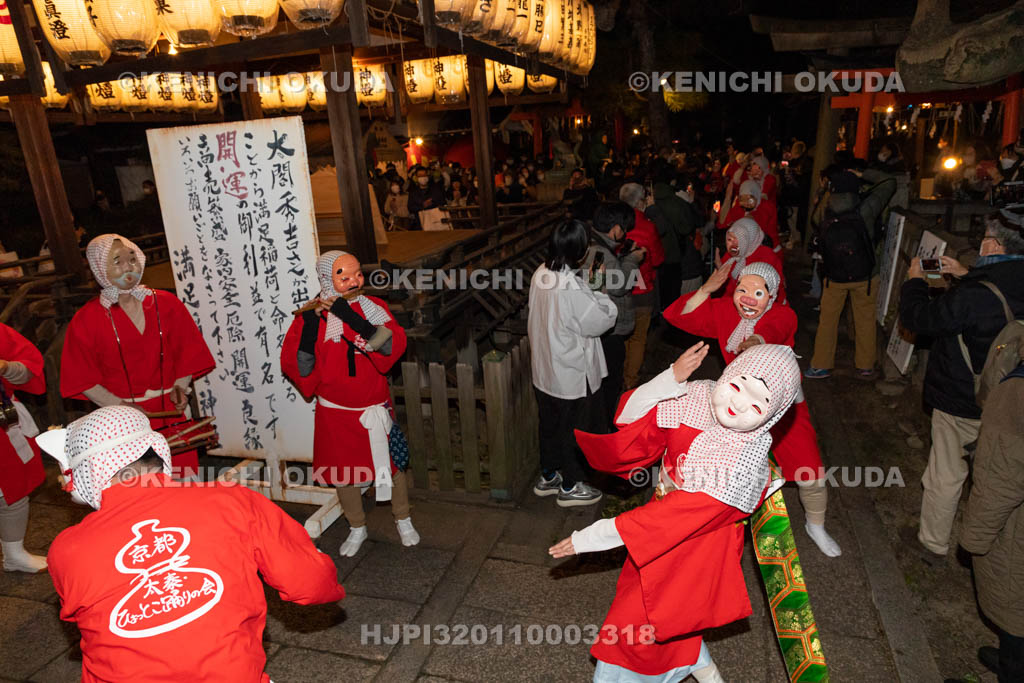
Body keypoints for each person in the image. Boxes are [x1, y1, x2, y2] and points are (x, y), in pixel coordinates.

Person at [551, 343, 802, 682]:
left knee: (638, 621)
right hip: (656, 523)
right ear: (727, 373)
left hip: (695, 546)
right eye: (738, 385)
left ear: (772, 415)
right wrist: (670, 379)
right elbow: (631, 421)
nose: (739, 402)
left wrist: (594, 536)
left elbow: (678, 517)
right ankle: (703, 668)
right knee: (665, 610)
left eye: (758, 404)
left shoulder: (744, 461)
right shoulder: (698, 396)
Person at [40, 406, 345, 682]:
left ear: (87, 475)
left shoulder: (65, 550)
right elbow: (313, 583)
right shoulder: (231, 501)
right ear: (158, 452)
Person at [665, 262, 841, 556]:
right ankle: (707, 529)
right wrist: (708, 288)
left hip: (783, 407)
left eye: (758, 292)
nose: (747, 298)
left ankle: (816, 525)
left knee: (810, 466)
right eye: (742, 290)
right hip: (736, 404)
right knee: (721, 469)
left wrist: (756, 341)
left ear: (771, 297)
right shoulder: (725, 312)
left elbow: (775, 329)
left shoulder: (782, 313)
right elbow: (680, 316)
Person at [899, 209, 1024, 560]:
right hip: (1013, 398)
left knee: (947, 472)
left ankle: (932, 543)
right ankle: (992, 545)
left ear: (995, 243)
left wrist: (914, 283)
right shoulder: (987, 285)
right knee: (1000, 475)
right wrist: (967, 273)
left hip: (964, 399)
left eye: (985, 236)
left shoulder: (972, 296)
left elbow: (920, 318)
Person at [281, 250, 418, 557]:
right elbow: (300, 367)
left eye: (357, 273)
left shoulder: (377, 308)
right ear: (328, 280)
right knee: (344, 473)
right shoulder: (313, 316)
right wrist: (311, 327)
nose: (354, 281)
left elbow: (392, 347)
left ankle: (403, 518)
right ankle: (357, 525)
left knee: (393, 466)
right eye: (343, 276)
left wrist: (350, 316)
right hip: (336, 412)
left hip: (374, 406)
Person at [60, 234, 216, 476]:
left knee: (184, 481)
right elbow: (82, 378)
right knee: (141, 487)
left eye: (132, 258)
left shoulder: (167, 303)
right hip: (122, 421)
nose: (128, 266)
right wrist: (120, 405)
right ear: (99, 268)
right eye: (117, 261)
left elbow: (187, 351)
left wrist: (181, 388)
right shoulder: (86, 320)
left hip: (172, 413)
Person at [529, 220, 617, 507]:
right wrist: (600, 291)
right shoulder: (569, 284)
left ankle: (548, 475)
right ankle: (570, 484)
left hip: (545, 365)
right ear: (579, 250)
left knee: (549, 423)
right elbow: (598, 321)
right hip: (569, 369)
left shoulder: (542, 273)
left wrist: (586, 287)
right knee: (573, 428)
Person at [958, 337, 1024, 683]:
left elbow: (1003, 475)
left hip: (1017, 531)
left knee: (1016, 608)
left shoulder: (1017, 393)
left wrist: (973, 539)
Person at [804, 168, 896, 379]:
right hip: (865, 274)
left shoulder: (825, 207)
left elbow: (815, 223)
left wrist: (827, 191)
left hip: (833, 274)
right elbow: (889, 181)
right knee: (865, 318)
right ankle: (865, 366)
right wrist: (864, 174)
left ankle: (820, 364)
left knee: (828, 320)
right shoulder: (866, 207)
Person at [587, 203, 646, 423]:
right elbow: (618, 285)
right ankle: (606, 428)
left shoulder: (595, 245)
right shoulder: (599, 251)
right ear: (615, 228)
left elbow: (597, 281)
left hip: (601, 329)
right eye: (624, 228)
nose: (625, 233)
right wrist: (632, 260)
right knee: (609, 384)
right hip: (607, 332)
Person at [0, 323, 48, 572]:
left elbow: (29, 367)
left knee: (14, 492)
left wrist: (7, 367)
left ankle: (14, 553)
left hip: (3, 424)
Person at [619, 183, 665, 390]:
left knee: (621, 338)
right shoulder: (647, 226)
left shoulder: (616, 224)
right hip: (642, 290)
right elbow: (657, 260)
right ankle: (630, 382)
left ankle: (619, 376)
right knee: (638, 338)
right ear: (640, 201)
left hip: (618, 289)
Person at [717, 218, 785, 303]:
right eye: (729, 239)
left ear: (750, 239)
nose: (733, 245)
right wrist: (719, 269)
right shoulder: (730, 257)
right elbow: (725, 288)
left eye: (740, 240)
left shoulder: (766, 257)